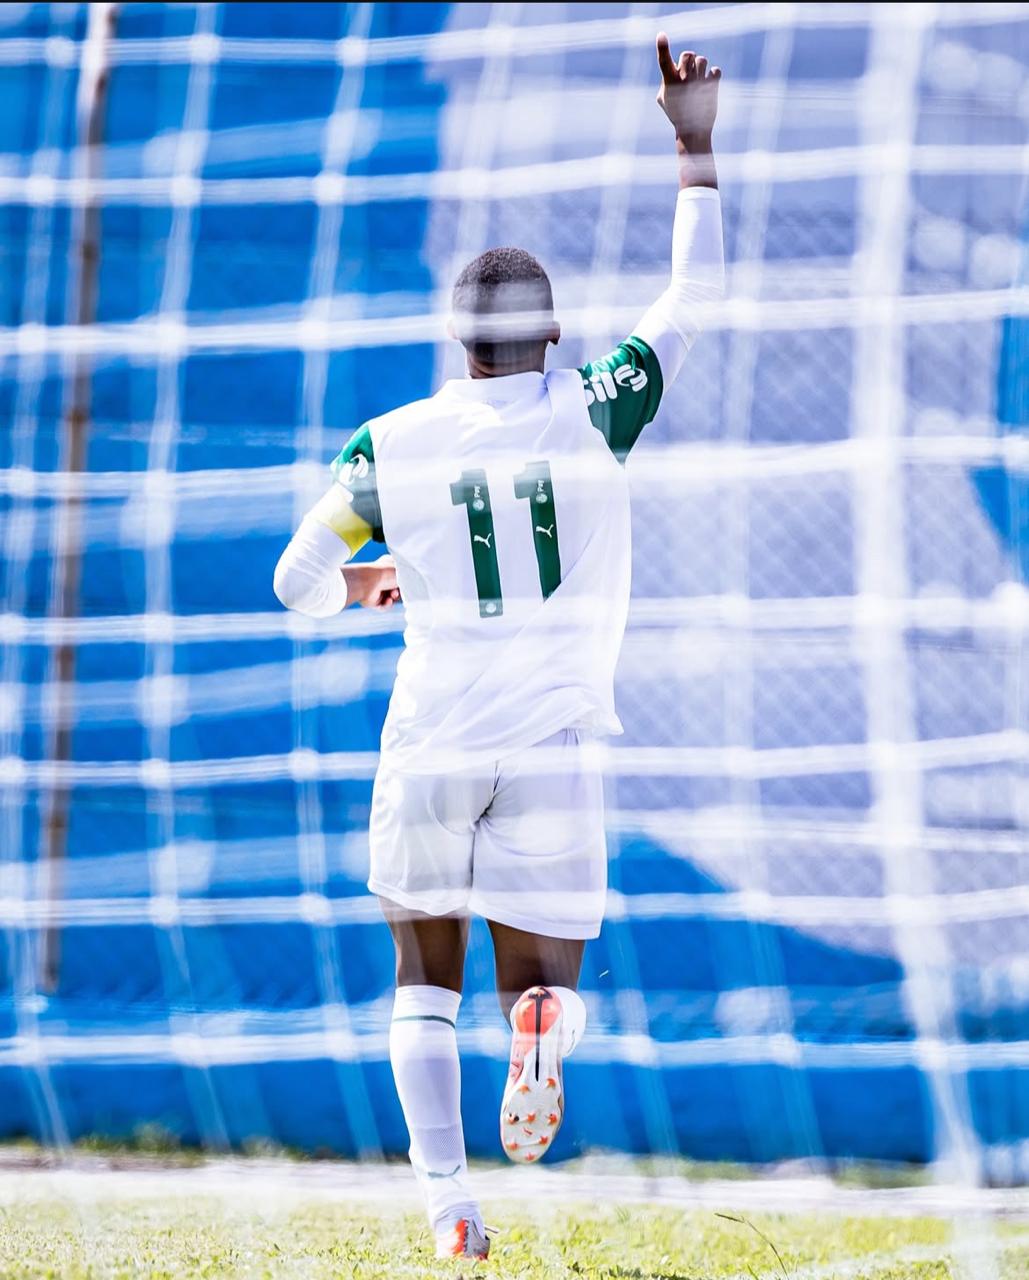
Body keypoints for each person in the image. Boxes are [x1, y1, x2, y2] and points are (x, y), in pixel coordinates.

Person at [274, 33, 724, 1262]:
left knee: (422, 979)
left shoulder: (393, 441)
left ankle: (449, 1208)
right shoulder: (596, 408)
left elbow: (293, 582)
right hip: (560, 735)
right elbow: (694, 303)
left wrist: (370, 582)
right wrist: (694, 151)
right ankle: (543, 1019)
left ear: (458, 338)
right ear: (551, 336)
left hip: (431, 733)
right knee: (547, 971)